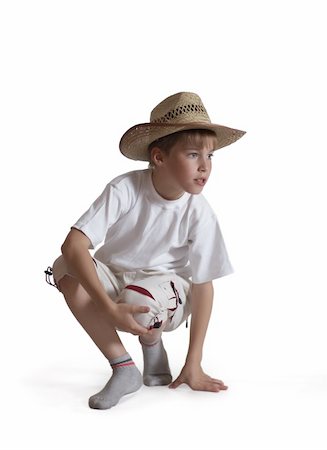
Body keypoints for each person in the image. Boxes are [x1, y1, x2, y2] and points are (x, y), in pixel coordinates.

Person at [45, 91, 246, 409]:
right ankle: (123, 367)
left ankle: (152, 342)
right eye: (194, 154)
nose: (205, 166)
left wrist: (194, 362)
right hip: (116, 281)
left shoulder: (199, 211)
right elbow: (74, 244)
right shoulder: (124, 189)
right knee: (64, 266)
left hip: (166, 291)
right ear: (159, 157)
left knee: (139, 297)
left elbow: (204, 284)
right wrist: (109, 309)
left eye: (210, 156)